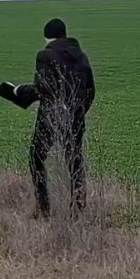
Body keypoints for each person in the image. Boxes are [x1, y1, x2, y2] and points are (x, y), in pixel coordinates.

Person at [22, 18, 96, 218]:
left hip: (50, 117)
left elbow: (43, 88)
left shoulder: (44, 55)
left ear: (47, 37)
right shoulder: (82, 56)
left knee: (36, 157)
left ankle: (43, 206)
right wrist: (79, 112)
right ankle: (78, 206)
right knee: (75, 160)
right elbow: (91, 90)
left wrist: (19, 92)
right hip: (76, 117)